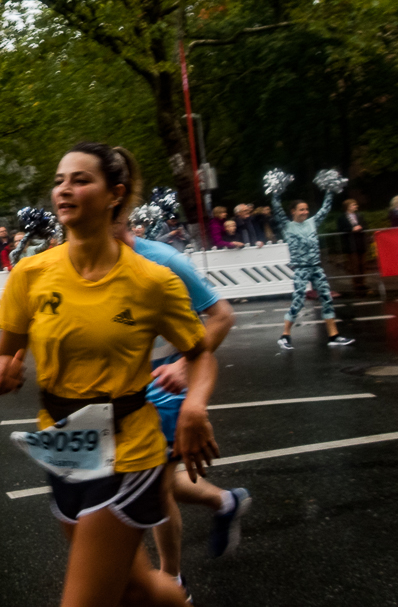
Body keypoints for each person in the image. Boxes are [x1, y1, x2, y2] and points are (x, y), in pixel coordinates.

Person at [0, 142, 219, 607]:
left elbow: (201, 351)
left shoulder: (152, 281)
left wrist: (194, 404)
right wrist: (3, 371)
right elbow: (6, 355)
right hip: (63, 445)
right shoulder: (30, 275)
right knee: (135, 588)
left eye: (80, 180)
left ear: (115, 194)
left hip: (129, 449)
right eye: (58, 181)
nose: (64, 190)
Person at [115, 219, 246, 593]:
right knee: (157, 479)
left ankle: (172, 581)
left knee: (154, 482)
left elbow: (222, 315)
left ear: (119, 214)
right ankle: (225, 501)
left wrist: (184, 365)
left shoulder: (165, 260)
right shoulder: (98, 262)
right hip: (128, 390)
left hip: (167, 384)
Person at [272, 190, 353, 350]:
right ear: (293, 211)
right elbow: (277, 209)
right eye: (301, 209)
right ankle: (285, 336)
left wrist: (329, 191)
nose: (305, 212)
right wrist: (275, 193)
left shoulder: (312, 222)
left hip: (316, 267)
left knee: (327, 299)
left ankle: (334, 336)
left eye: (306, 209)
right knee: (299, 300)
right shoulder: (288, 226)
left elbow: (325, 208)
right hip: (301, 269)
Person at [337, 199, 370, 295]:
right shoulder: (342, 218)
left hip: (360, 242)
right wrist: (351, 229)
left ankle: (363, 282)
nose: (356, 206)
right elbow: (341, 229)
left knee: (362, 263)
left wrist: (361, 228)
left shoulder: (359, 215)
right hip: (350, 244)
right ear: (348, 207)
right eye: (353, 205)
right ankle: (356, 283)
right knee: (354, 264)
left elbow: (365, 225)